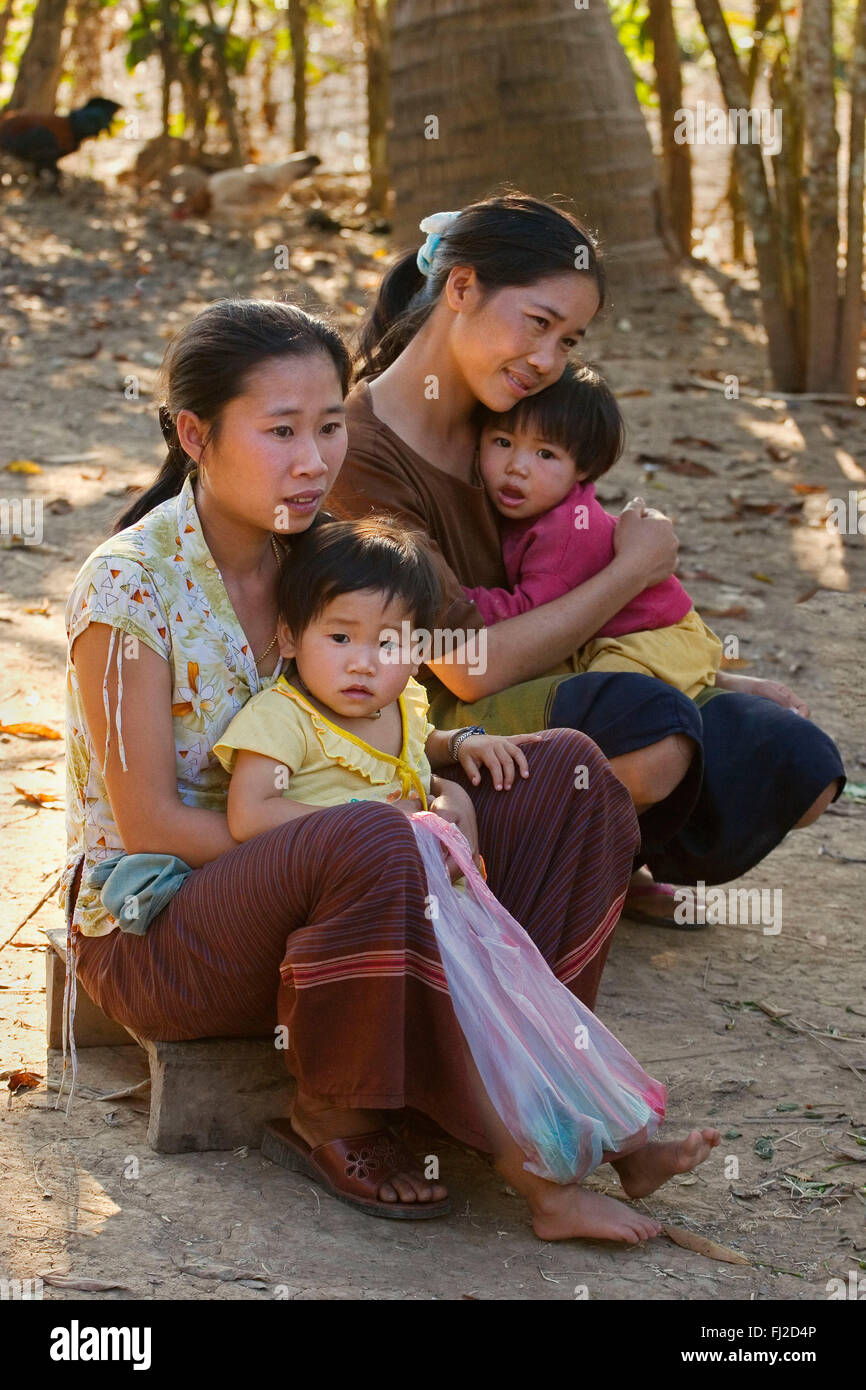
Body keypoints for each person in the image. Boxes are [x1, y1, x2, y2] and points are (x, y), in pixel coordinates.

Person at [62, 296, 677, 1240]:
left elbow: (376, 721)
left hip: (350, 879)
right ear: (195, 433)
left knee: (566, 776)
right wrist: (367, 836)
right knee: (375, 832)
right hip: (169, 931)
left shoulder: (328, 557)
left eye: (330, 426)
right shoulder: (130, 585)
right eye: (280, 431)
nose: (314, 462)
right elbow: (148, 825)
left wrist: (447, 758)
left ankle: (524, 1076)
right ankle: (338, 1110)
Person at [329, 193, 845, 920]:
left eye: (569, 341)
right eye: (539, 323)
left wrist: (715, 673)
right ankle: (539, 860)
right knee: (652, 735)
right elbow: (467, 668)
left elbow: (562, 576)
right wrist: (633, 568)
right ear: (462, 286)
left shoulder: (509, 418)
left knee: (796, 760)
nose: (547, 361)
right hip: (432, 718)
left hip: (567, 674)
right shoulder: (360, 450)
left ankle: (603, 848)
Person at [211, 513, 721, 1230]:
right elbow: (249, 815)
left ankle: (630, 1149)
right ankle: (546, 1195)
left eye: (390, 643)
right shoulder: (281, 715)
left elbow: (423, 746)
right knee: (483, 1046)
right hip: (368, 925)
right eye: (340, 637)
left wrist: (463, 745)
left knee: (540, 1014)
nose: (363, 662)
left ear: (419, 651)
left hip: (454, 915)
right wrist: (369, 821)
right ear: (291, 638)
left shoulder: (405, 708)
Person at [463, 359, 723, 699]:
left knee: (600, 701)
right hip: (611, 638)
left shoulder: (568, 530)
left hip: (656, 636)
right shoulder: (529, 507)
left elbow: (529, 616)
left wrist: (455, 596)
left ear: (583, 468)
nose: (517, 467)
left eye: (545, 453)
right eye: (502, 442)